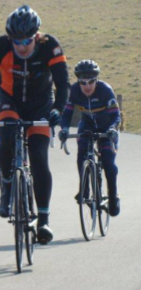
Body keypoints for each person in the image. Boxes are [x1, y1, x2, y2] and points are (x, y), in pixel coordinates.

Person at [0, 5, 70, 244]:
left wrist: (58, 109)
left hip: (41, 105)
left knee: (38, 156)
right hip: (9, 100)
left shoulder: (50, 46)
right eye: (16, 41)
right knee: (6, 140)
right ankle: (7, 185)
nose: (21, 46)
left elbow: (64, 84)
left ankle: (44, 220)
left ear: (37, 36)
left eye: (27, 40)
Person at [59, 60, 121, 217]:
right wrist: (64, 129)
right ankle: (84, 189)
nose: (87, 86)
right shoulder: (74, 91)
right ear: (78, 81)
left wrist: (113, 129)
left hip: (107, 127)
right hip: (87, 125)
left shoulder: (105, 91)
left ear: (97, 80)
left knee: (108, 163)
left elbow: (115, 115)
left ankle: (113, 196)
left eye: (91, 81)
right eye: (83, 82)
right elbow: (66, 114)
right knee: (82, 152)